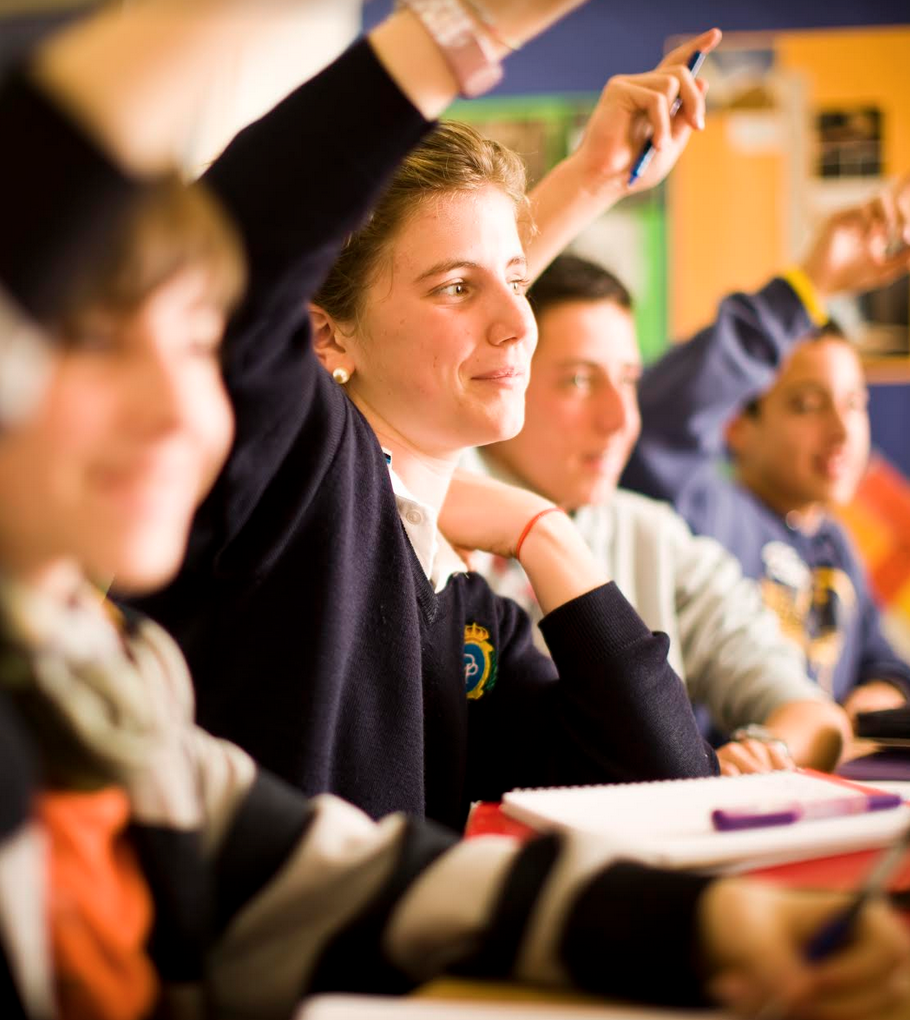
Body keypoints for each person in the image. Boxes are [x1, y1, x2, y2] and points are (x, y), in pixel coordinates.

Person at [0, 4, 910, 1020]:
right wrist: (449, 30)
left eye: (187, 351)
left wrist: (696, 938)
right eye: (98, 342)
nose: (183, 410)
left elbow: (328, 876)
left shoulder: (91, 679)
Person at [132, 23, 728, 830]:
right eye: (457, 289)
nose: (520, 322)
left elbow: (670, 787)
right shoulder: (299, 481)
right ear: (326, 337)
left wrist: (545, 531)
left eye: (516, 281)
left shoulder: (462, 608)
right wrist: (459, 24)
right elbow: (244, 244)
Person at [468, 254, 852, 775]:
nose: (620, 419)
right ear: (502, 378)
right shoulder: (428, 519)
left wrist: (766, 755)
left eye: (628, 380)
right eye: (579, 381)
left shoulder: (654, 534)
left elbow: (813, 714)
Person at [622, 170, 910, 717]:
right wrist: (810, 287)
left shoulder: (835, 543)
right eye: (807, 405)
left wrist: (881, 697)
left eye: (855, 403)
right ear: (738, 425)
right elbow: (664, 420)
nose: (842, 431)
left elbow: (892, 667)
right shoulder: (706, 514)